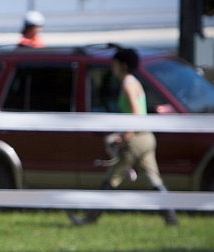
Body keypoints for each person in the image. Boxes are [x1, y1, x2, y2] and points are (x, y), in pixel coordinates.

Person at [71, 48, 179, 226]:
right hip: (146, 137)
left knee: (111, 178)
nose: (112, 68)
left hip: (135, 139)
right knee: (154, 179)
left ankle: (90, 218)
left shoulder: (127, 84)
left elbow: (136, 116)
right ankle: (171, 218)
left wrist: (123, 137)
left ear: (123, 65)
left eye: (114, 64)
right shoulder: (135, 82)